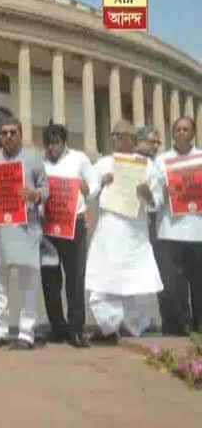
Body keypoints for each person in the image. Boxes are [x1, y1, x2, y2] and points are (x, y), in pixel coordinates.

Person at [86, 120, 163, 344]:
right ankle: (108, 328)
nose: (117, 139)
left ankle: (132, 327)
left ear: (133, 139)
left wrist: (146, 193)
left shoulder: (147, 166)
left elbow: (156, 202)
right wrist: (102, 181)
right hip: (108, 230)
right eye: (114, 135)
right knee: (103, 281)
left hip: (134, 232)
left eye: (122, 135)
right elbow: (89, 192)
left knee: (134, 282)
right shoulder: (104, 163)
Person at [0, 114, 49, 350]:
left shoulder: (34, 159)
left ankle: (26, 333)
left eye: (13, 132)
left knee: (28, 284)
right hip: (0, 232)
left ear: (21, 134)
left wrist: (36, 195)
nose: (8, 136)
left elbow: (45, 188)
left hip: (26, 230)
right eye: (4, 133)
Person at [40, 123, 99, 348]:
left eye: (56, 143)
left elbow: (94, 183)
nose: (52, 147)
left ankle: (75, 329)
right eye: (49, 143)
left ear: (65, 143)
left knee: (75, 278)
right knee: (50, 280)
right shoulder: (41, 161)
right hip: (48, 227)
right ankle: (57, 326)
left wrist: (88, 190)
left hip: (74, 225)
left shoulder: (79, 159)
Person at [134, 125, 184, 335]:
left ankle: (171, 322)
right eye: (152, 141)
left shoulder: (158, 164)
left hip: (157, 223)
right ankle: (136, 320)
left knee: (163, 275)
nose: (155, 145)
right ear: (139, 141)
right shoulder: (128, 162)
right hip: (135, 224)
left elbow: (158, 199)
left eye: (158, 142)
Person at [155, 116, 202, 334]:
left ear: (192, 133)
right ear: (172, 133)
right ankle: (183, 326)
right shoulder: (162, 160)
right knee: (175, 284)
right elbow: (152, 194)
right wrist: (161, 192)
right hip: (170, 230)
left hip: (197, 230)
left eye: (186, 129)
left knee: (199, 282)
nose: (181, 133)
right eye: (177, 129)